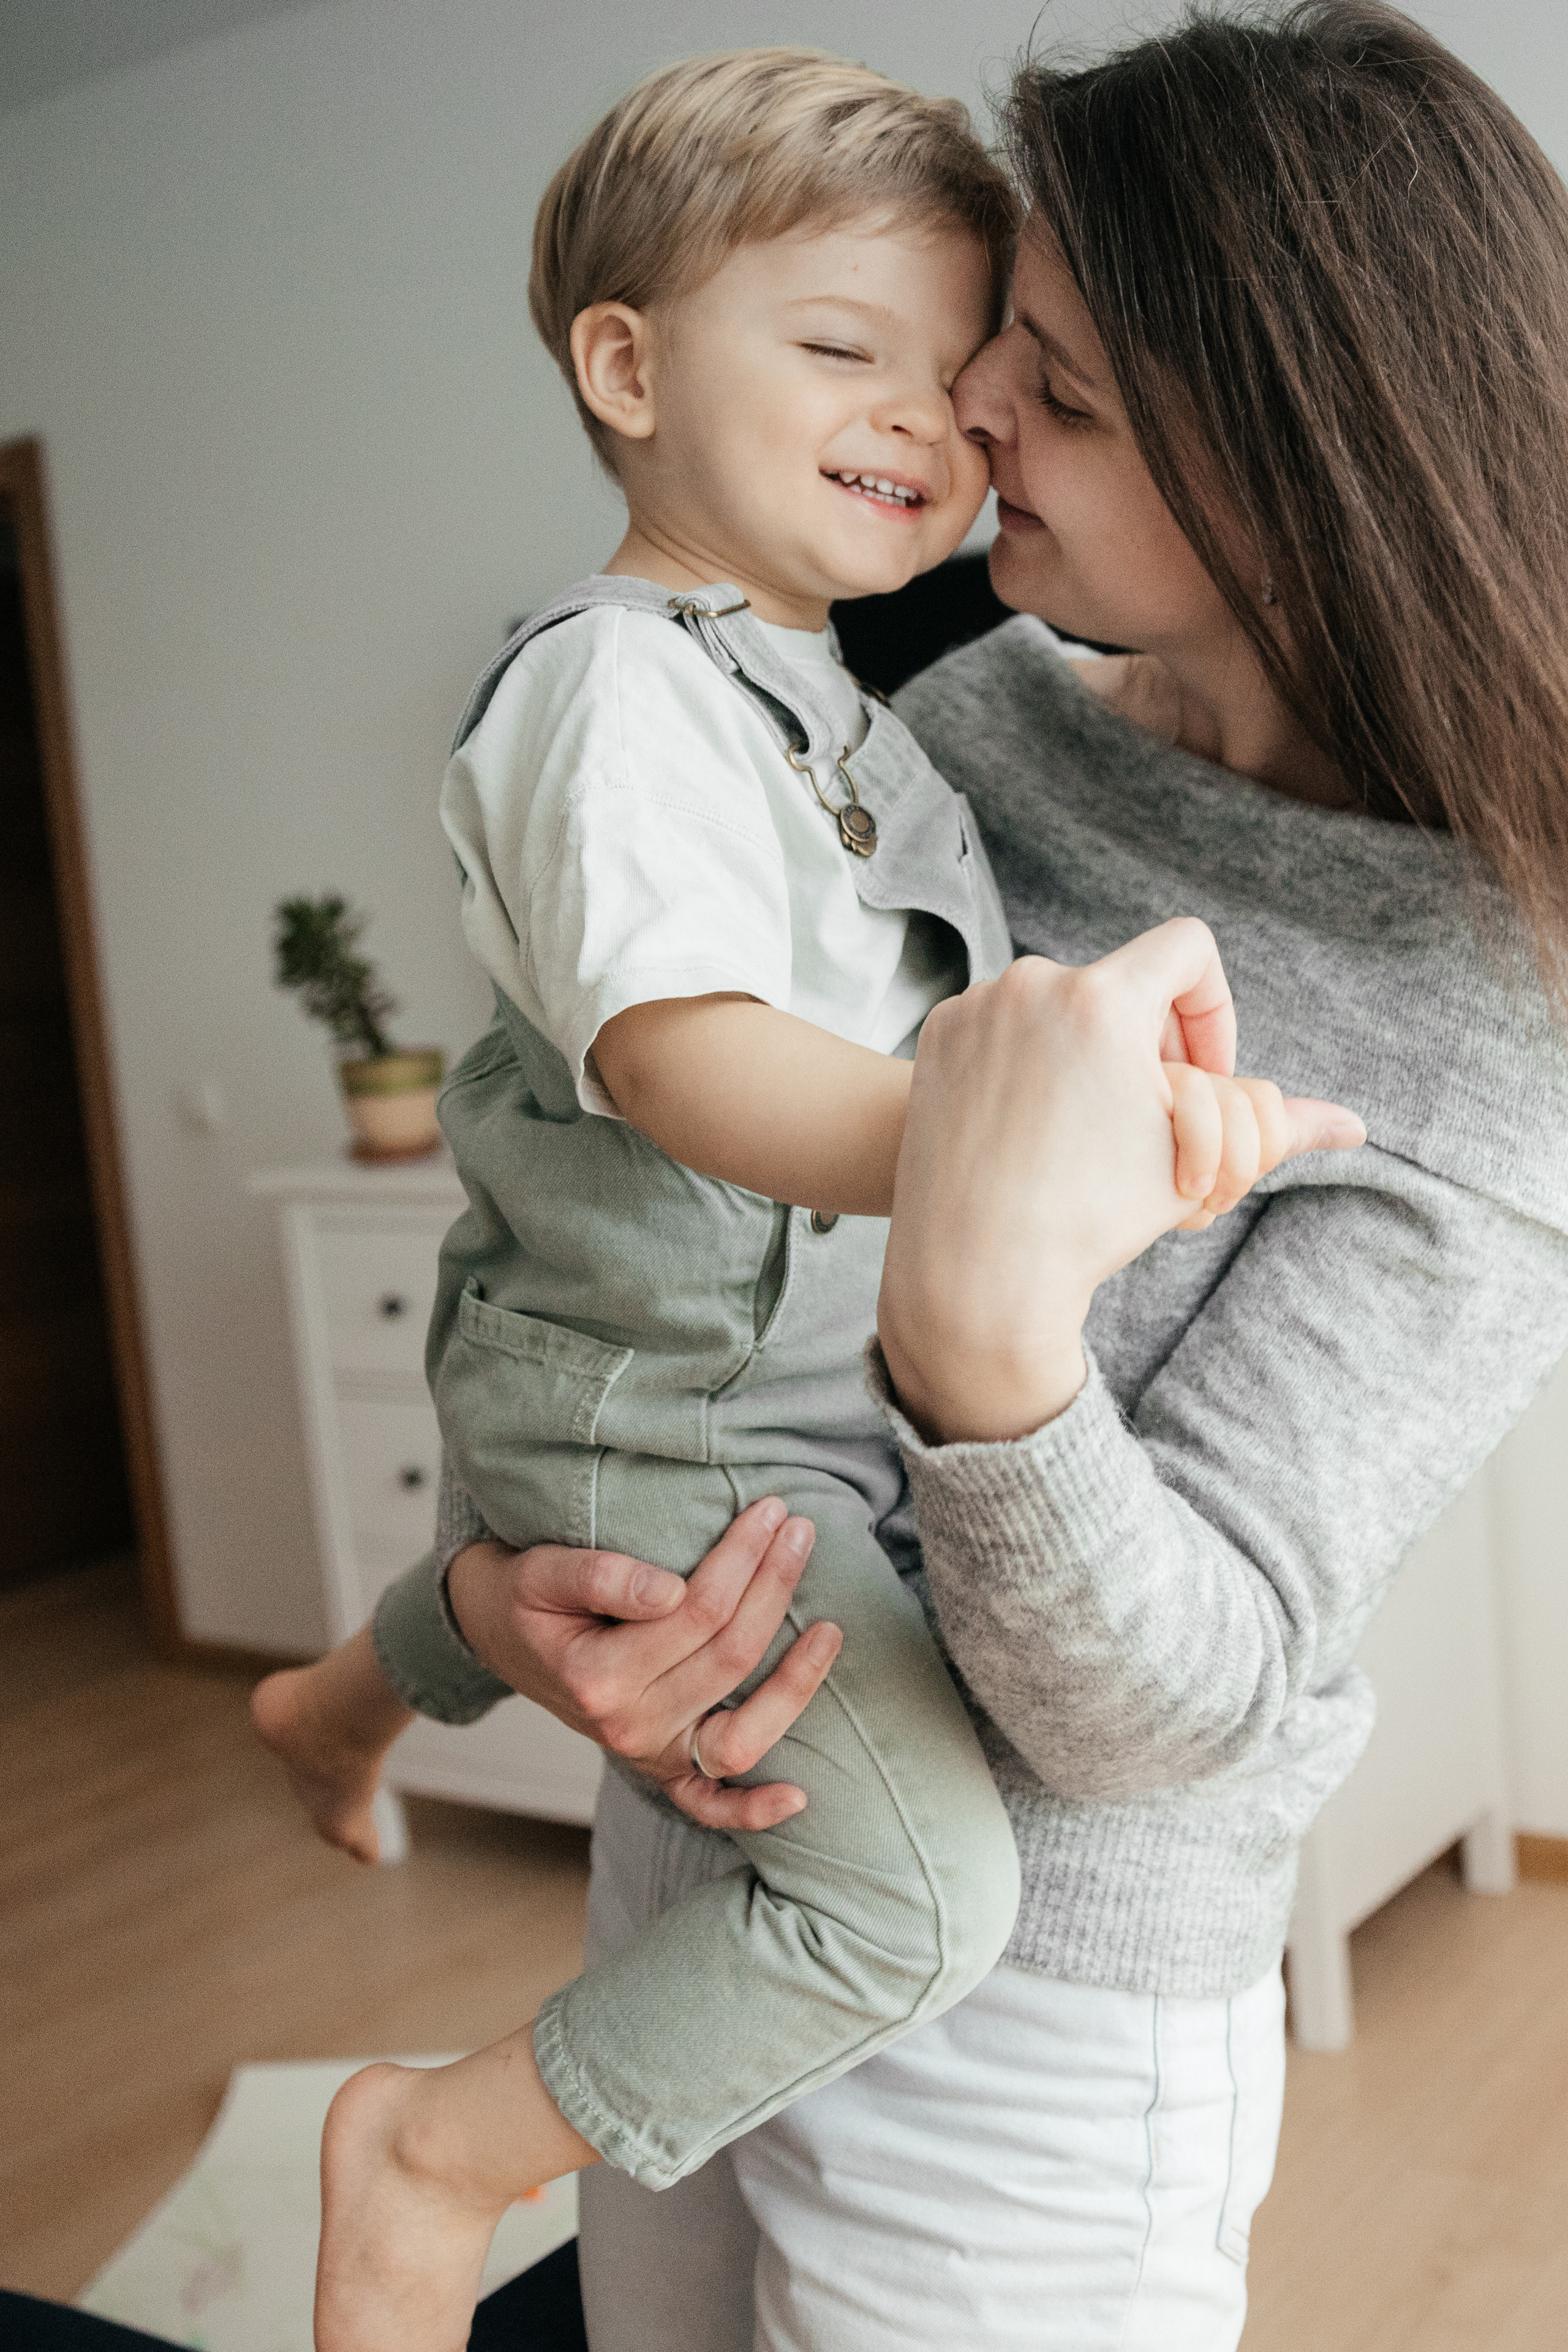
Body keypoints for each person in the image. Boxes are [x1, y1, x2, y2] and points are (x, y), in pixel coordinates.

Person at [398, 7, 1568, 2350]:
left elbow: (1173, 1708)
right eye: (988, 342)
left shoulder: (1493, 1018)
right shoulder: (946, 700)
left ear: (1304, 483)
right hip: (712, 1816)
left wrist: (989, 1348)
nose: (968, 416)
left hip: (1032, 1993)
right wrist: (515, 1580)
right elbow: (632, 1203)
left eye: (1067, 395)